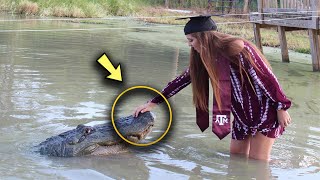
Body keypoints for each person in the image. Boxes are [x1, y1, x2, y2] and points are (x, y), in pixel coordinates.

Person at [133, 15, 292, 161]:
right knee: (236, 159)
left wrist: (281, 107)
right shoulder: (206, 56)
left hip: (263, 112)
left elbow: (267, 78)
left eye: (191, 40)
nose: (190, 45)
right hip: (241, 116)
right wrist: (154, 102)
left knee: (258, 162)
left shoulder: (238, 49)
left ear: (203, 38)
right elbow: (182, 80)